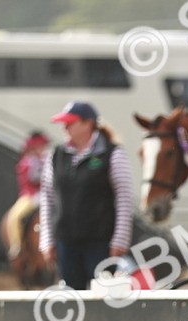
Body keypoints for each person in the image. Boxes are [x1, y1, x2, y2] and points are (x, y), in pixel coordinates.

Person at [39, 100, 134, 291]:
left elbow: (124, 198)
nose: (65, 127)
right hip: (66, 241)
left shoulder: (112, 154)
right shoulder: (56, 155)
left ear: (88, 124)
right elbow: (48, 198)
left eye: (70, 122)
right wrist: (47, 239)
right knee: (71, 295)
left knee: (102, 293)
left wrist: (120, 239)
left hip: (101, 242)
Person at [5, 131, 48, 259]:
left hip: (47, 195)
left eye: (42, 146)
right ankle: (17, 245)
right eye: (38, 146)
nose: (40, 149)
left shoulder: (49, 159)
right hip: (30, 195)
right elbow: (31, 179)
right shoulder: (26, 162)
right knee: (14, 218)